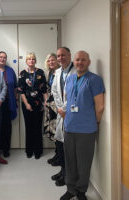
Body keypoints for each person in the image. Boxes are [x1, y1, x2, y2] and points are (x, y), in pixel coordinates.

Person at [60, 51, 105, 200]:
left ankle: (81, 191)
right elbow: (68, 100)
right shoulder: (71, 78)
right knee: (70, 161)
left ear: (89, 62)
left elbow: (100, 107)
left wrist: (95, 122)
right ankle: (70, 189)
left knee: (84, 163)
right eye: (78, 60)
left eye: (83, 60)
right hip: (69, 128)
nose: (80, 62)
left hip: (86, 130)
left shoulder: (94, 80)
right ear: (74, 61)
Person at [50, 47, 76, 187]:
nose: (60, 58)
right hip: (61, 112)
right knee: (60, 143)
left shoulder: (75, 71)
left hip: (71, 113)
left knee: (68, 147)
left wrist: (64, 108)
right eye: (58, 56)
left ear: (69, 55)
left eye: (63, 55)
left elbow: (74, 93)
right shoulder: (58, 71)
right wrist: (60, 108)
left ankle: (68, 175)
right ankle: (63, 170)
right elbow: (54, 90)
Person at [18, 52, 47, 159]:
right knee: (29, 127)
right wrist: (26, 104)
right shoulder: (22, 73)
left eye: (33, 59)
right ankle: (29, 150)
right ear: (26, 61)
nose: (31, 61)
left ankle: (38, 150)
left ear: (35, 61)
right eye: (29, 59)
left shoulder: (40, 72)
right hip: (27, 105)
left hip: (39, 105)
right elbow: (21, 91)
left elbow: (44, 90)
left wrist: (46, 102)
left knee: (37, 127)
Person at [0, 51, 18, 157]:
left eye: (4, 57)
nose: (2, 59)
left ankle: (6, 149)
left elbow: (15, 87)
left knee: (7, 127)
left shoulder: (10, 71)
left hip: (8, 103)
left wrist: (16, 100)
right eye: (0, 57)